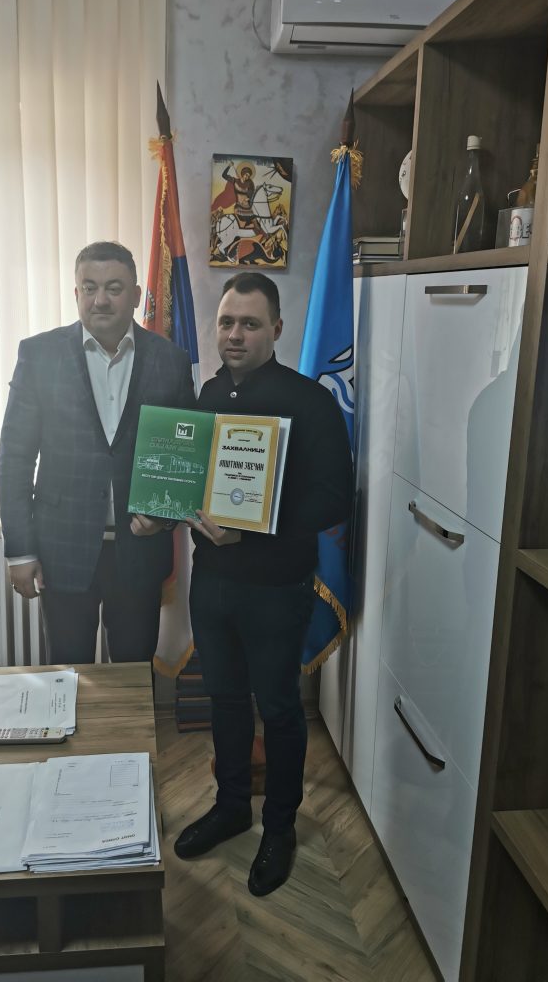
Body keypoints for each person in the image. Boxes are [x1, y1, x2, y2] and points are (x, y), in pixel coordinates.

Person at [174, 271, 353, 897]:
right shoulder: (207, 395)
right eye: (226, 322)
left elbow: (334, 499)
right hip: (212, 582)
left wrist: (252, 529)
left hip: (276, 586)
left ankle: (279, 827)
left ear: (276, 329)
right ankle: (230, 807)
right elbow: (191, 480)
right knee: (224, 700)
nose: (235, 334)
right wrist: (160, 506)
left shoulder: (310, 401)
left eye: (249, 324)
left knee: (277, 708)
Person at [0, 241, 196, 665]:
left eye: (113, 288)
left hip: (139, 551)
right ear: (76, 293)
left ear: (136, 295)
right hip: (61, 549)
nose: (100, 299)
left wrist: (165, 517)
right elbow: (15, 457)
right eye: (89, 288)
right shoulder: (39, 355)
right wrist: (20, 551)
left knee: (133, 676)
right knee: (67, 673)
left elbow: (186, 457)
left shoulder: (171, 361)